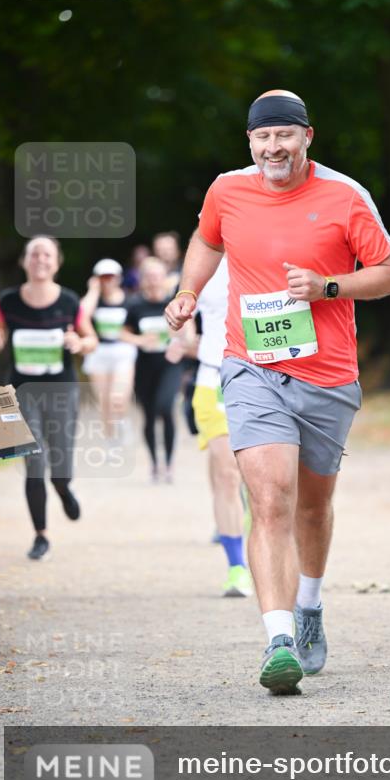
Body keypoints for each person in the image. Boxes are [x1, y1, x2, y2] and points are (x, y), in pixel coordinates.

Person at [166, 89, 390, 694]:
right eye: (262, 138)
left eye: (285, 136)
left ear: (307, 137)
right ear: (250, 142)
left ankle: (310, 606)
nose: (273, 147)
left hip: (327, 375)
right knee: (269, 498)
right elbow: (207, 240)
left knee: (311, 507)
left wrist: (327, 287)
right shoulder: (227, 190)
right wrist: (190, 291)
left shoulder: (346, 196)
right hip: (250, 367)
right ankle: (277, 640)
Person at [0, 235, 97, 560]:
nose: (40, 260)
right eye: (34, 254)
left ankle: (63, 489)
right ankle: (40, 535)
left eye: (47, 254)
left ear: (56, 262)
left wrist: (80, 343)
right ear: (24, 261)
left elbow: (91, 340)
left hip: (61, 389)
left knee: (59, 467)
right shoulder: (7, 302)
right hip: (21, 391)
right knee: (34, 462)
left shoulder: (69, 302)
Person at [167, 255, 253, 598]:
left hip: (261, 377)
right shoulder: (202, 265)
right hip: (212, 376)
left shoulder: (268, 250)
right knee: (227, 472)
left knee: (258, 475)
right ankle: (237, 568)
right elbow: (184, 311)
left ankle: (253, 528)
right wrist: (186, 336)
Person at [120, 257, 182, 483]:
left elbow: (188, 327)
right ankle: (155, 464)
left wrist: (180, 342)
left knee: (165, 408)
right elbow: (122, 333)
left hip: (170, 364)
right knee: (148, 415)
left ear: (164, 278)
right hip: (145, 367)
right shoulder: (135, 305)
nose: (154, 281)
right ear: (143, 280)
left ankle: (169, 463)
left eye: (158, 276)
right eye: (149, 276)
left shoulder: (173, 303)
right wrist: (139, 340)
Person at [80, 258, 136, 447]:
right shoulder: (94, 301)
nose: (107, 281)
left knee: (117, 397)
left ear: (118, 278)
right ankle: (110, 438)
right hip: (99, 351)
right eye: (103, 277)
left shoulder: (129, 300)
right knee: (103, 400)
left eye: (111, 277)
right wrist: (93, 291)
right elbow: (82, 315)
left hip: (122, 350)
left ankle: (122, 423)